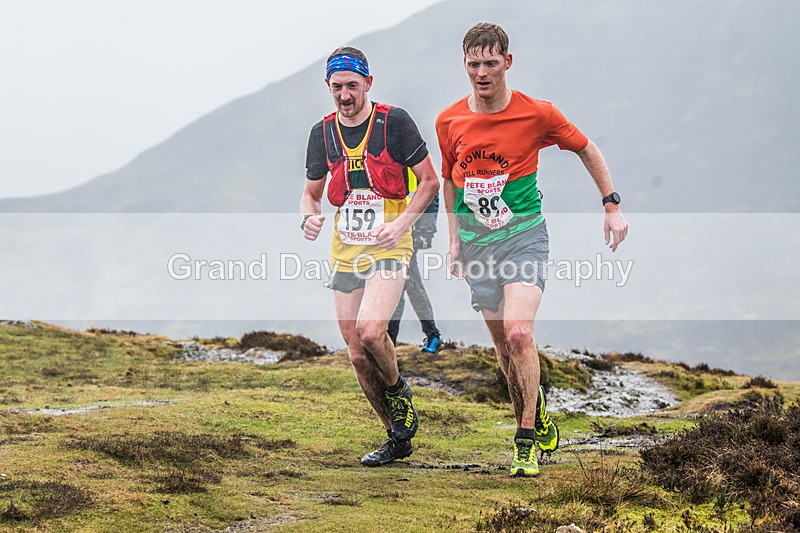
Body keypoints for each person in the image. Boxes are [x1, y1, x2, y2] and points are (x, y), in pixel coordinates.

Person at [435, 23, 629, 477]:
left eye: (490, 63)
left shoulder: (537, 114)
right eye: (473, 64)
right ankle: (535, 406)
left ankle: (524, 441)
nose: (482, 73)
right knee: (505, 351)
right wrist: (453, 240)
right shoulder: (449, 120)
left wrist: (611, 204)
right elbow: (449, 179)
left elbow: (587, 148)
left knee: (520, 333)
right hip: (477, 244)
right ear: (464, 65)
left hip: (524, 238)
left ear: (507, 62)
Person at [300, 46, 439, 467]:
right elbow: (310, 194)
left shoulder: (393, 123)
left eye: (352, 86)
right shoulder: (321, 134)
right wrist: (308, 217)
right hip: (345, 251)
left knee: (373, 332)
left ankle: (399, 391)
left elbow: (431, 182)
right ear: (328, 86)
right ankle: (395, 437)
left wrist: (402, 225)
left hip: (389, 246)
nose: (345, 95)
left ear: (368, 84)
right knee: (357, 353)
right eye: (337, 87)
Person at [387, 189, 443, 353]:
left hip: (409, 233)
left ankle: (391, 342)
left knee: (399, 285)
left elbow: (432, 190)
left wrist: (426, 230)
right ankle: (432, 335)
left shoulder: (415, 163)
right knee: (409, 284)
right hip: (390, 231)